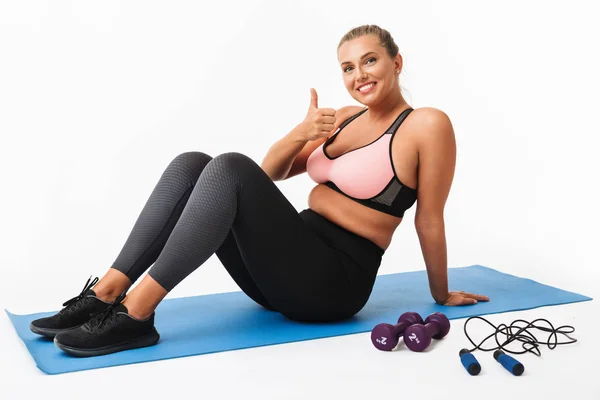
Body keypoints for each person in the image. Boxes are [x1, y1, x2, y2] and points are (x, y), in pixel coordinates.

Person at [30, 24, 489, 357]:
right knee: (193, 164)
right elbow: (270, 174)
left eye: (369, 60)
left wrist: (442, 294)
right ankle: (109, 292)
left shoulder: (426, 124)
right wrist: (300, 132)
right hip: (286, 268)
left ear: (396, 61)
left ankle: (137, 315)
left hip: (334, 283)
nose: (359, 74)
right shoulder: (344, 117)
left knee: (228, 166)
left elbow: (429, 217)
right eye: (348, 67)